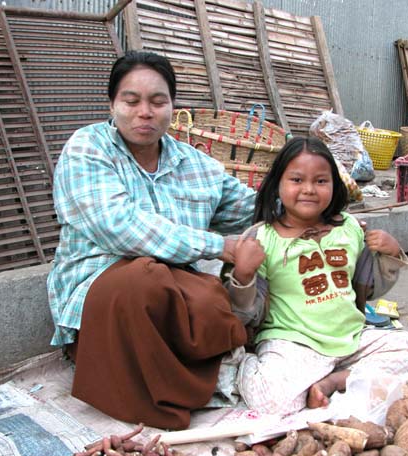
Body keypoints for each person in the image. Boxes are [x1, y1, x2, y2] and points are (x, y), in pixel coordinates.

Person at [47, 50, 256, 429]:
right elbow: (120, 226)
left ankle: (194, 382)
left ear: (173, 108)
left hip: (174, 292)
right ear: (112, 103)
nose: (145, 111)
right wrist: (216, 245)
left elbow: (249, 208)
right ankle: (149, 395)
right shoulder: (87, 148)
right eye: (132, 100)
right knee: (145, 279)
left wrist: (310, 198)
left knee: (210, 293)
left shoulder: (195, 163)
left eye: (158, 101)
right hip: (105, 292)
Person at [226, 137, 408, 415]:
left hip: (351, 338)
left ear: (334, 186)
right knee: (271, 400)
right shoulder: (262, 238)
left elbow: (368, 289)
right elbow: (246, 313)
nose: (309, 190)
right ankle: (248, 365)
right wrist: (243, 273)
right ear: (277, 184)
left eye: (321, 181)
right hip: (293, 343)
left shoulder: (348, 227)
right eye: (297, 180)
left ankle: (336, 380)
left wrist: (391, 253)